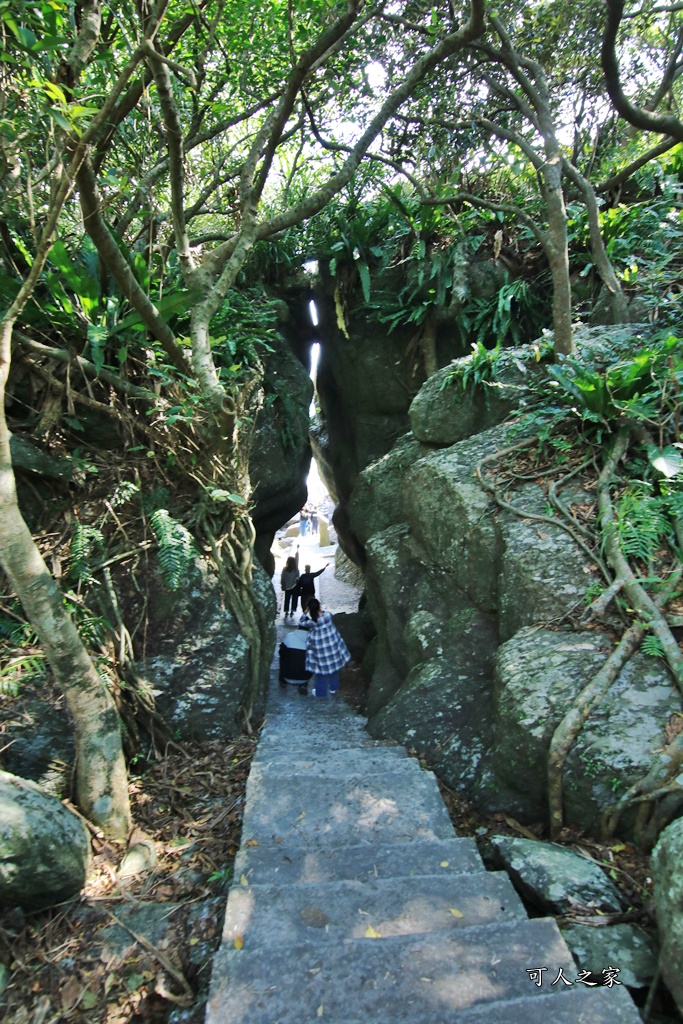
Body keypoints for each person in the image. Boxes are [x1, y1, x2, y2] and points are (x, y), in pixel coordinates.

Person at [304, 598, 351, 697]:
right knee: (334, 670)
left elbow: (301, 622)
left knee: (320, 673)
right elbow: (325, 613)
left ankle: (321, 692)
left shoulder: (312, 623)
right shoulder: (328, 616)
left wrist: (305, 612)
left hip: (321, 652)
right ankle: (333, 689)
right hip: (333, 649)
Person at [280, 550, 300, 618]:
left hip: (287, 587)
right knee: (294, 599)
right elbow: (298, 578)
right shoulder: (296, 570)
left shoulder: (284, 570)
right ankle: (292, 610)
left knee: (287, 599)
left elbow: (282, 578)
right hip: (294, 586)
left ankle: (286, 611)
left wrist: (282, 585)